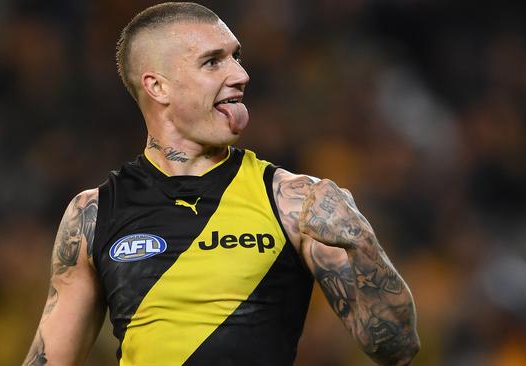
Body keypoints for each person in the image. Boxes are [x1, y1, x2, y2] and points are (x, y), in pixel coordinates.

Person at [23, 2, 420, 365]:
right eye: (213, 62)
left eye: (236, 57)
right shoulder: (92, 215)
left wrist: (362, 242)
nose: (241, 75)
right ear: (157, 86)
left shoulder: (294, 200)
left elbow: (395, 348)